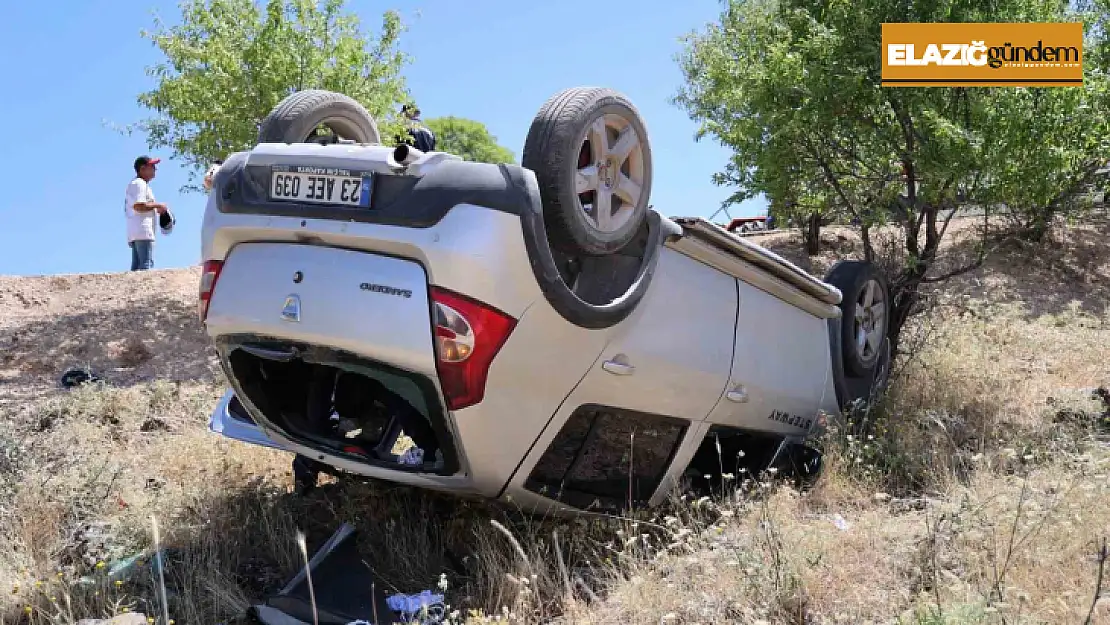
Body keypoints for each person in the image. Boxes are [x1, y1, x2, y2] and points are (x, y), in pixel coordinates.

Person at [124, 155, 169, 271]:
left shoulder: (137, 184)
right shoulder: (140, 184)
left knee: (136, 268)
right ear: (143, 169)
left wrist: (155, 208)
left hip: (137, 232)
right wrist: (159, 205)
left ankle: (133, 289)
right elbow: (139, 206)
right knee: (145, 266)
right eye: (152, 166)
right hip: (143, 231)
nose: (155, 169)